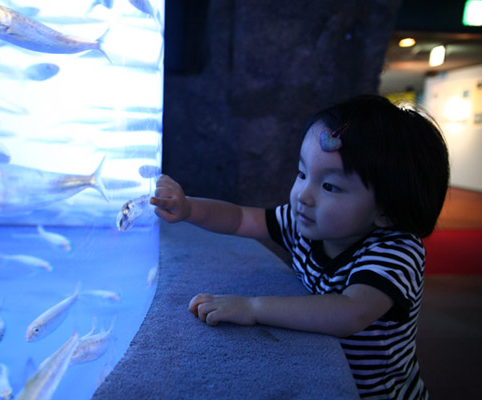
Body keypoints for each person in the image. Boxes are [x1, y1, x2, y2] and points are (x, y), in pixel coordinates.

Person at [149, 94, 450, 400]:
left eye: (330, 186)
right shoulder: (304, 224)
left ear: (387, 210)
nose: (303, 196)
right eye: (302, 173)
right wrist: (189, 209)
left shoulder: (397, 250)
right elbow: (240, 218)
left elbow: (350, 313)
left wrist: (252, 307)